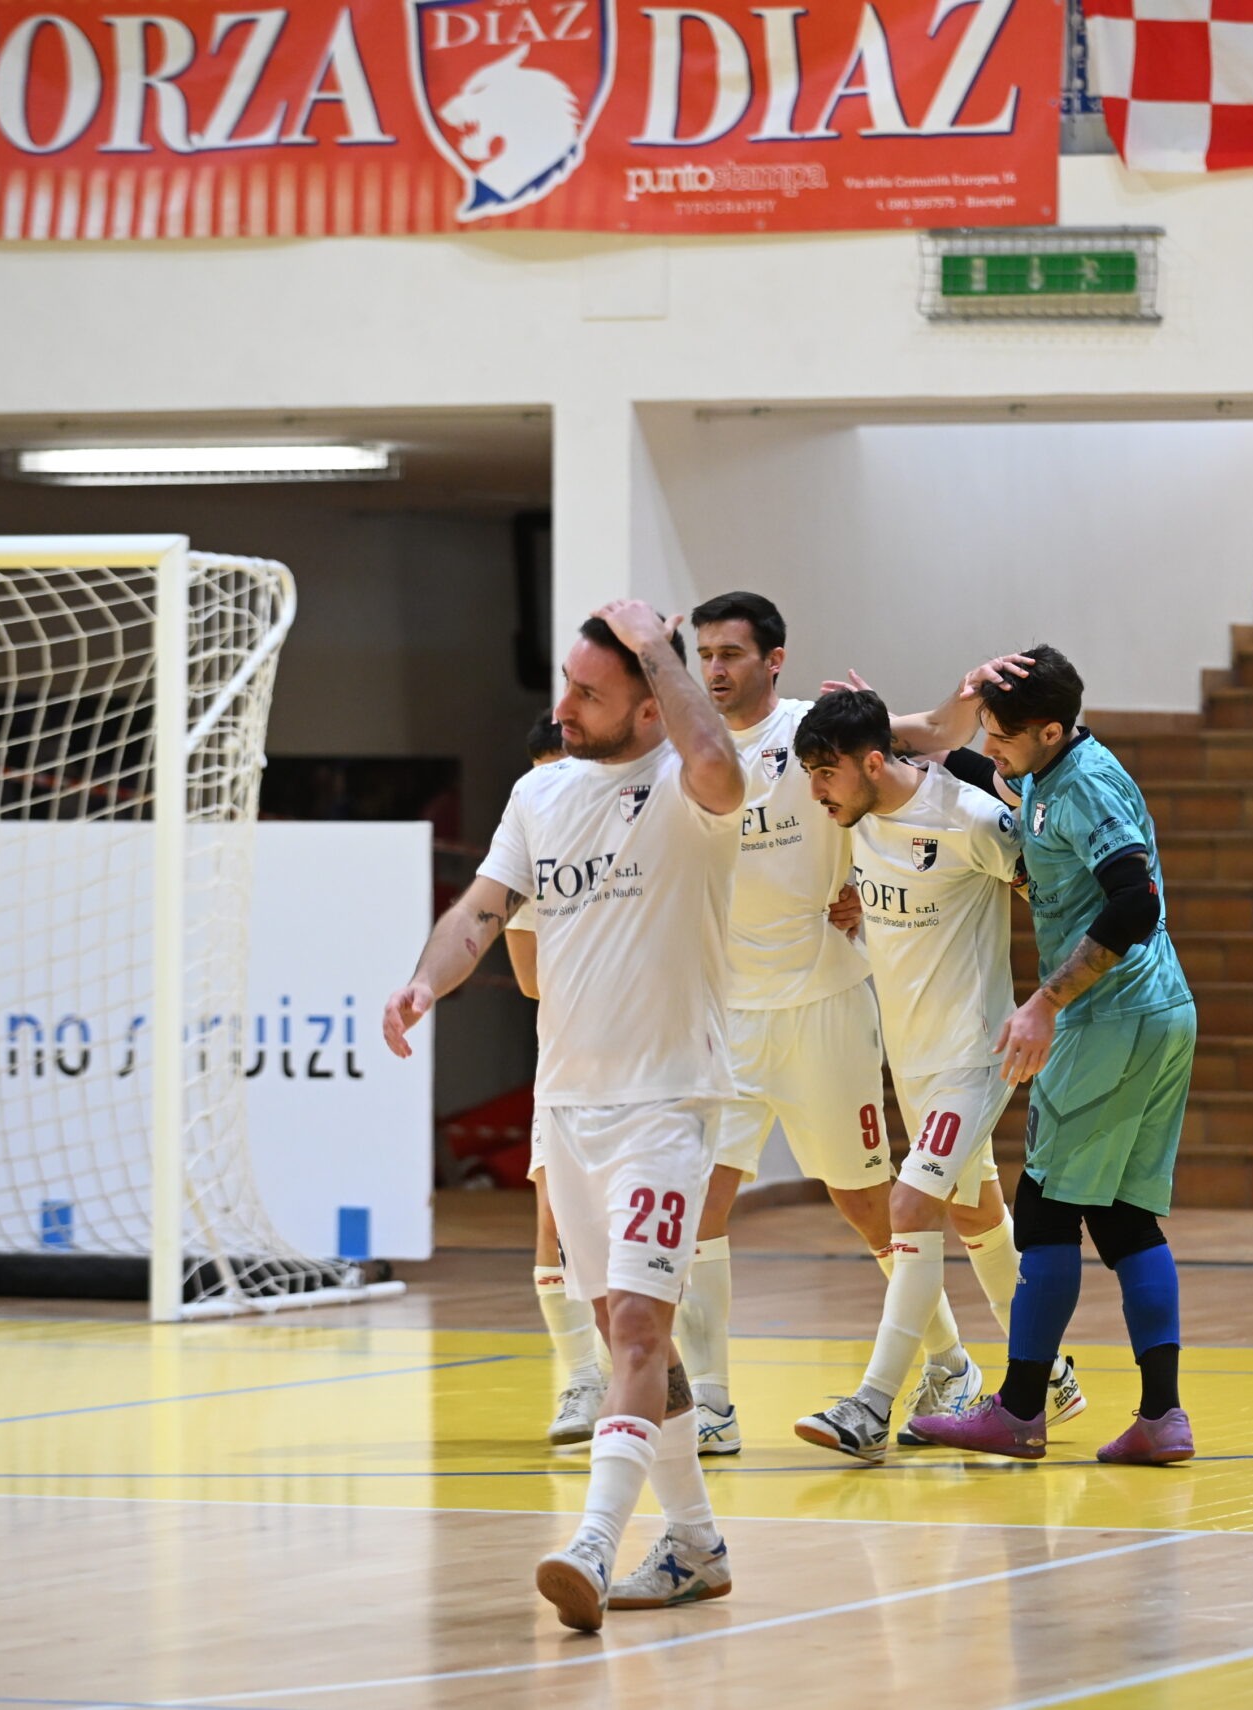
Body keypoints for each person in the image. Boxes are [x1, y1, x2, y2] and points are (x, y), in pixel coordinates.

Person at [382, 601, 743, 1631]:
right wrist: (422, 984)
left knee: (635, 1325)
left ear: (644, 707)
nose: (563, 706)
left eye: (589, 691)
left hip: (666, 1105)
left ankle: (593, 1539)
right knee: (626, 1332)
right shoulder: (539, 792)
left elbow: (713, 753)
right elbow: (485, 908)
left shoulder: (691, 784)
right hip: (569, 1108)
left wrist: (667, 654)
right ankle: (694, 1543)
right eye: (566, 683)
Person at [679, 596, 1056, 1446]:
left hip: (829, 1006)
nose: (715, 669)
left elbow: (919, 733)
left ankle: (961, 1363)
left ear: (774, 660)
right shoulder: (692, 756)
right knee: (699, 1208)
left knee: (878, 1208)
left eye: (731, 652)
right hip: (727, 1017)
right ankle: (711, 1402)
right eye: (703, 653)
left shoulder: (815, 732)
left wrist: (966, 702)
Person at [906, 645, 1199, 1466]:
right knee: (1122, 1217)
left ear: (1049, 728)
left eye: (1002, 733)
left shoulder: (1086, 785)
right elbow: (955, 758)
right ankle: (1161, 1418)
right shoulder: (1045, 766)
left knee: (1040, 1212)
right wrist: (928, 713)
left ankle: (1022, 1408)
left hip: (1111, 1018)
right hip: (1158, 1012)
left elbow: (1135, 901)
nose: (990, 746)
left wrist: (1045, 1003)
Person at [785, 688, 1083, 1460]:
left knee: (909, 1208)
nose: (816, 791)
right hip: (911, 1065)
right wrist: (860, 905)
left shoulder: (968, 820)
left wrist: (1044, 1005)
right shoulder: (858, 823)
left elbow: (1056, 895)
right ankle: (1049, 1373)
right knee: (977, 1213)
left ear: (872, 762)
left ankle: (871, 1406)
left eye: (825, 774)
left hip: (971, 1059)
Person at [503, 714, 614, 1449]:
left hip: (656, 1062)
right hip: (569, 1063)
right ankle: (581, 1379)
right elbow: (530, 979)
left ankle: (688, 1388)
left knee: (655, 1229)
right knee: (554, 1223)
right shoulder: (528, 870)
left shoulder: (639, 840)